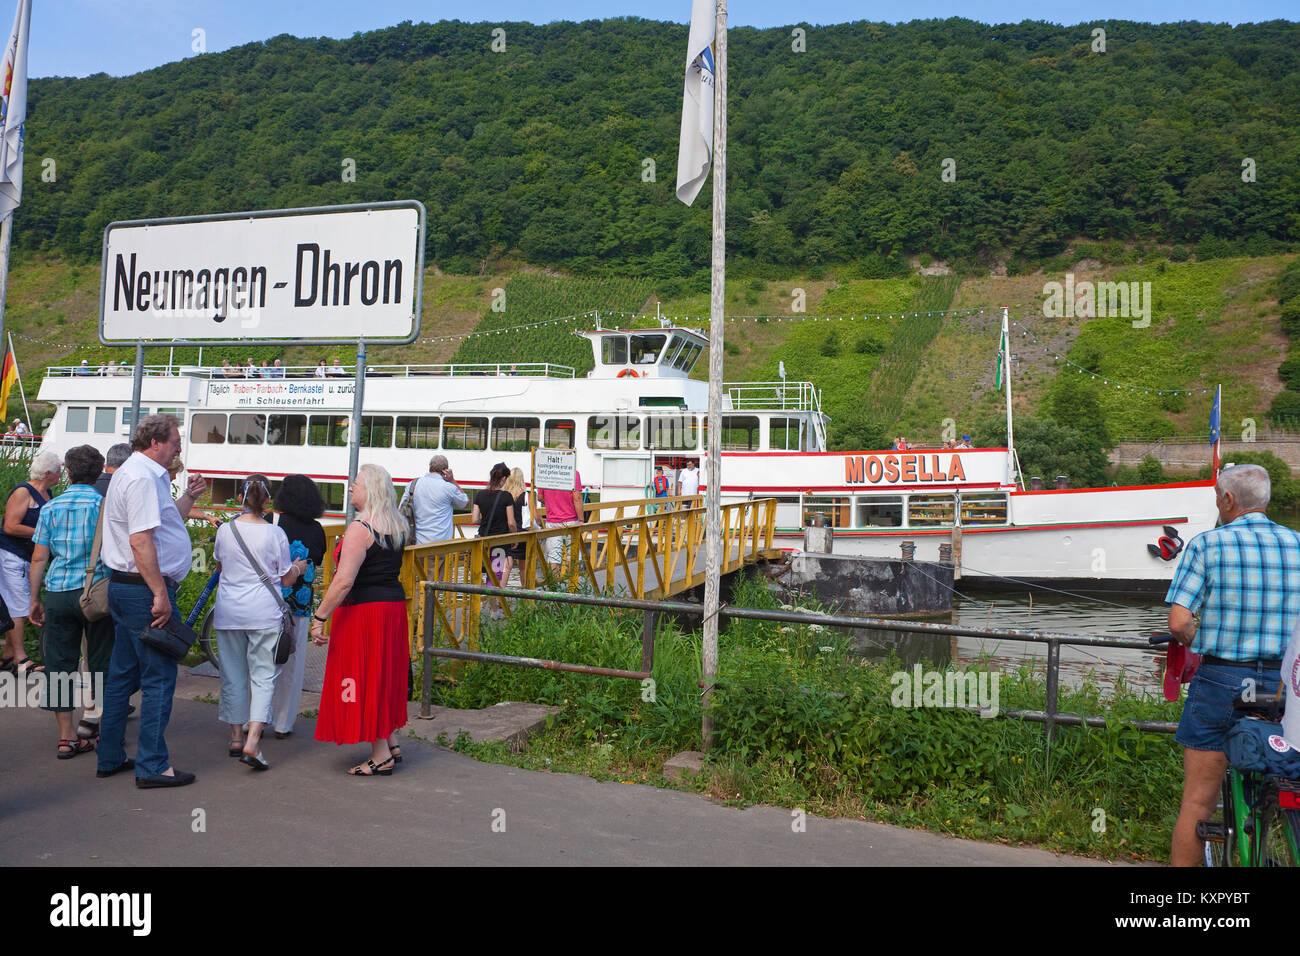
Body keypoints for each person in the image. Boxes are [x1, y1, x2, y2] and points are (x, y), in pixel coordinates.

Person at [1165, 464, 1300, 866]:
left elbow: (1178, 622)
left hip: (1223, 680)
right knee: (1289, 784)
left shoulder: (1208, 544)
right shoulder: (1297, 544)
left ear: (1227, 500)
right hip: (1286, 686)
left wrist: (1199, 639)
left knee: (1198, 801)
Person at [95, 414, 207, 788]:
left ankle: (109, 755)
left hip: (125, 587)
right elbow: (140, 542)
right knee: (159, 678)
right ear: (156, 442)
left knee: (123, 673)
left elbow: (164, 524)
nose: (179, 447)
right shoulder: (144, 479)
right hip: (144, 590)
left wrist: (189, 496)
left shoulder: (138, 473)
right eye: (175, 441)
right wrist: (160, 592)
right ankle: (153, 766)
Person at [309, 463, 409, 776]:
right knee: (384, 673)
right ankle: (390, 740)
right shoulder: (398, 524)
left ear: (371, 490)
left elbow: (343, 581)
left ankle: (380, 756)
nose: (350, 488)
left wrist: (319, 615)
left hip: (366, 613)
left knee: (365, 676)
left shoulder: (359, 529)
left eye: (356, 484)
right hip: (392, 609)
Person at [213, 474, 306, 771]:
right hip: (264, 613)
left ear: (242, 497)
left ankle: (235, 738)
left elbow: (220, 566)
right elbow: (285, 577)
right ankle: (254, 741)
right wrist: (298, 567)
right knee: (263, 676)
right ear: (267, 501)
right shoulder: (275, 534)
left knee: (232, 673)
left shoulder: (225, 531)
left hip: (228, 612)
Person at [29, 445, 114, 758]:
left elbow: (39, 557)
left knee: (60, 664)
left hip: (59, 592)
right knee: (101, 662)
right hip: (97, 593)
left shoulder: (50, 508)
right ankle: (103, 728)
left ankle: (67, 738)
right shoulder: (105, 506)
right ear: (100, 471)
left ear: (67, 471)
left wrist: (34, 598)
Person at [269, 475, 326, 738]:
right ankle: (284, 723)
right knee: (292, 663)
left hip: (268, 602)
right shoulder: (316, 530)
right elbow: (318, 560)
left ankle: (254, 718)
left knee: (261, 662)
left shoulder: (272, 521)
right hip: (299, 605)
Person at [0, 450, 61, 675]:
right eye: (58, 471)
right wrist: (41, 533)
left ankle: (8, 656)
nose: (61, 474)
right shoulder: (23, 492)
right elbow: (10, 526)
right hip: (11, 554)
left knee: (18, 603)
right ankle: (20, 659)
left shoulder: (48, 493)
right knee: (18, 605)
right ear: (48, 473)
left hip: (27, 556)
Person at [400, 454, 468, 581]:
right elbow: (465, 502)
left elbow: (401, 510)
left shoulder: (413, 485)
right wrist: (453, 480)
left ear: (430, 467)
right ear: (445, 470)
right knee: (433, 586)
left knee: (415, 584)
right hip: (438, 545)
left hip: (415, 544)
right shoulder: (448, 487)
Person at [472, 462, 519, 585]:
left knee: (489, 570)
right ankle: (497, 599)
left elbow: (475, 519)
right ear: (503, 478)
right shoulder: (506, 497)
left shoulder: (480, 495)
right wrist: (515, 538)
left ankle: (486, 601)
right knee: (500, 571)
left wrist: (487, 520)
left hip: (483, 539)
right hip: (500, 541)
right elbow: (511, 523)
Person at [540, 467, 583, 574]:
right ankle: (571, 586)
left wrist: (553, 505)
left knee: (553, 556)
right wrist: (581, 519)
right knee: (571, 555)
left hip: (552, 521)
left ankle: (553, 587)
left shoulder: (546, 472)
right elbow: (577, 498)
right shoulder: (574, 473)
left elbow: (540, 497)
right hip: (571, 520)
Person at [503, 467, 529, 579]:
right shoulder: (525, 496)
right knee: (523, 567)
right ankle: (526, 592)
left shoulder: (504, 496)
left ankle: (497, 592)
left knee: (504, 567)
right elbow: (535, 516)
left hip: (506, 533)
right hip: (522, 534)